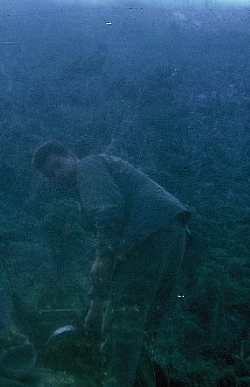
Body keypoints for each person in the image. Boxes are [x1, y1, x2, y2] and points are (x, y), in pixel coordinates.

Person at [32, 140, 190, 387]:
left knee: (123, 320)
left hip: (148, 233)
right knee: (144, 326)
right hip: (170, 230)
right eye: (52, 174)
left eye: (58, 165)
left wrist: (102, 257)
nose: (58, 175)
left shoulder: (89, 166)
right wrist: (97, 297)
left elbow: (109, 211)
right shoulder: (90, 183)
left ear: (72, 155)